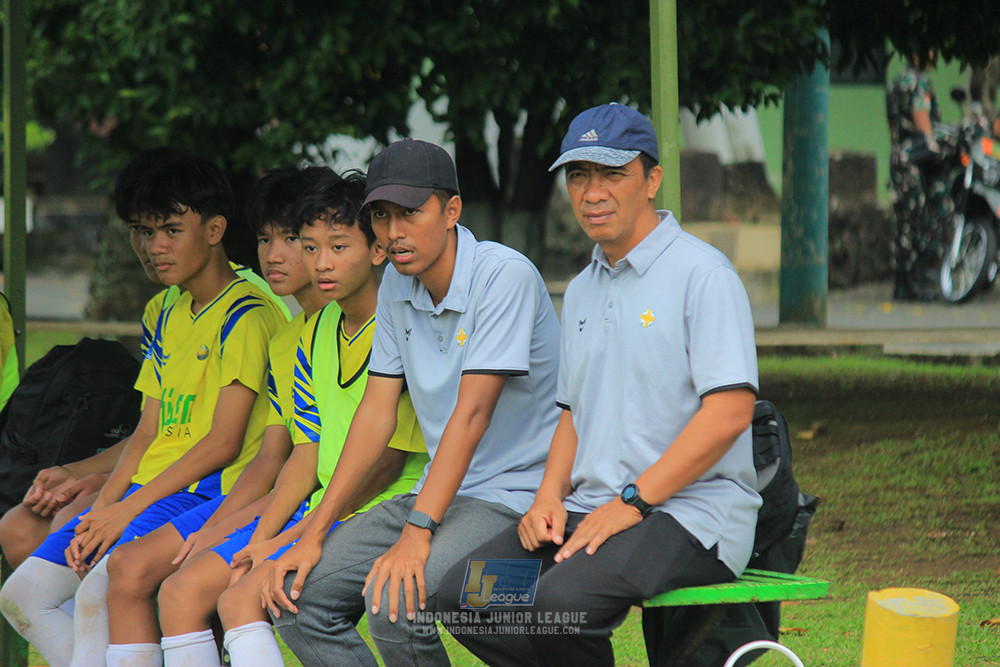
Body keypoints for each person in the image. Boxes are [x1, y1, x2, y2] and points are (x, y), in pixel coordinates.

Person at [437, 103, 761, 666]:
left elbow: (730, 414)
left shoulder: (703, 274)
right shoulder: (583, 288)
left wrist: (634, 502)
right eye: (578, 175)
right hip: (590, 510)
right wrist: (547, 497)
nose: (592, 192)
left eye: (613, 174)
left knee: (558, 605)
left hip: (688, 514)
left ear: (652, 179)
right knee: (466, 597)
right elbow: (572, 412)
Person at [261, 139, 562, 666]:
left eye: (410, 213)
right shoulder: (398, 288)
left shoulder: (503, 275)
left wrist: (417, 532)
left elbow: (472, 415)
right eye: (381, 216)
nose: (393, 231)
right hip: (438, 490)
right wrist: (314, 532)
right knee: (295, 597)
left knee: (396, 601)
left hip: (514, 494)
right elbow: (375, 414)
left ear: (451, 210)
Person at [0, 150, 286, 667]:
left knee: (98, 591)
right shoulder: (164, 309)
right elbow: (149, 430)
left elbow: (223, 444)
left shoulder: (247, 313)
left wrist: (123, 510)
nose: (154, 247)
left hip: (204, 491)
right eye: (141, 231)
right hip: (148, 490)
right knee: (22, 597)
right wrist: (106, 504)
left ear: (215, 229)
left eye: (171, 230)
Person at [155, 167, 427, 666]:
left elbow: (388, 462)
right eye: (310, 247)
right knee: (217, 586)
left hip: (388, 503)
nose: (320, 263)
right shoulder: (317, 330)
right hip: (328, 507)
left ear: (377, 250)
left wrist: (297, 535)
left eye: (338, 247)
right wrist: (261, 540)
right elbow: (307, 453)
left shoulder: (402, 326)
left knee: (247, 597)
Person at [61, 165, 329, 666]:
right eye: (266, 239)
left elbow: (335, 462)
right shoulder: (289, 339)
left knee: (177, 587)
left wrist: (277, 530)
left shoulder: (263, 317)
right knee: (121, 563)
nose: (274, 254)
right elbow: (276, 458)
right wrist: (222, 526)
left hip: (340, 507)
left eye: (294, 239)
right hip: (281, 498)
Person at [887, 50, 954, 301]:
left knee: (904, 223)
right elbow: (921, 119)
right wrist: (934, 147)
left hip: (900, 157)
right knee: (927, 217)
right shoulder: (919, 82)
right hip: (917, 161)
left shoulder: (897, 81)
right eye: (930, 50)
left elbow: (892, 125)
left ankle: (902, 284)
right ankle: (918, 279)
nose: (934, 55)